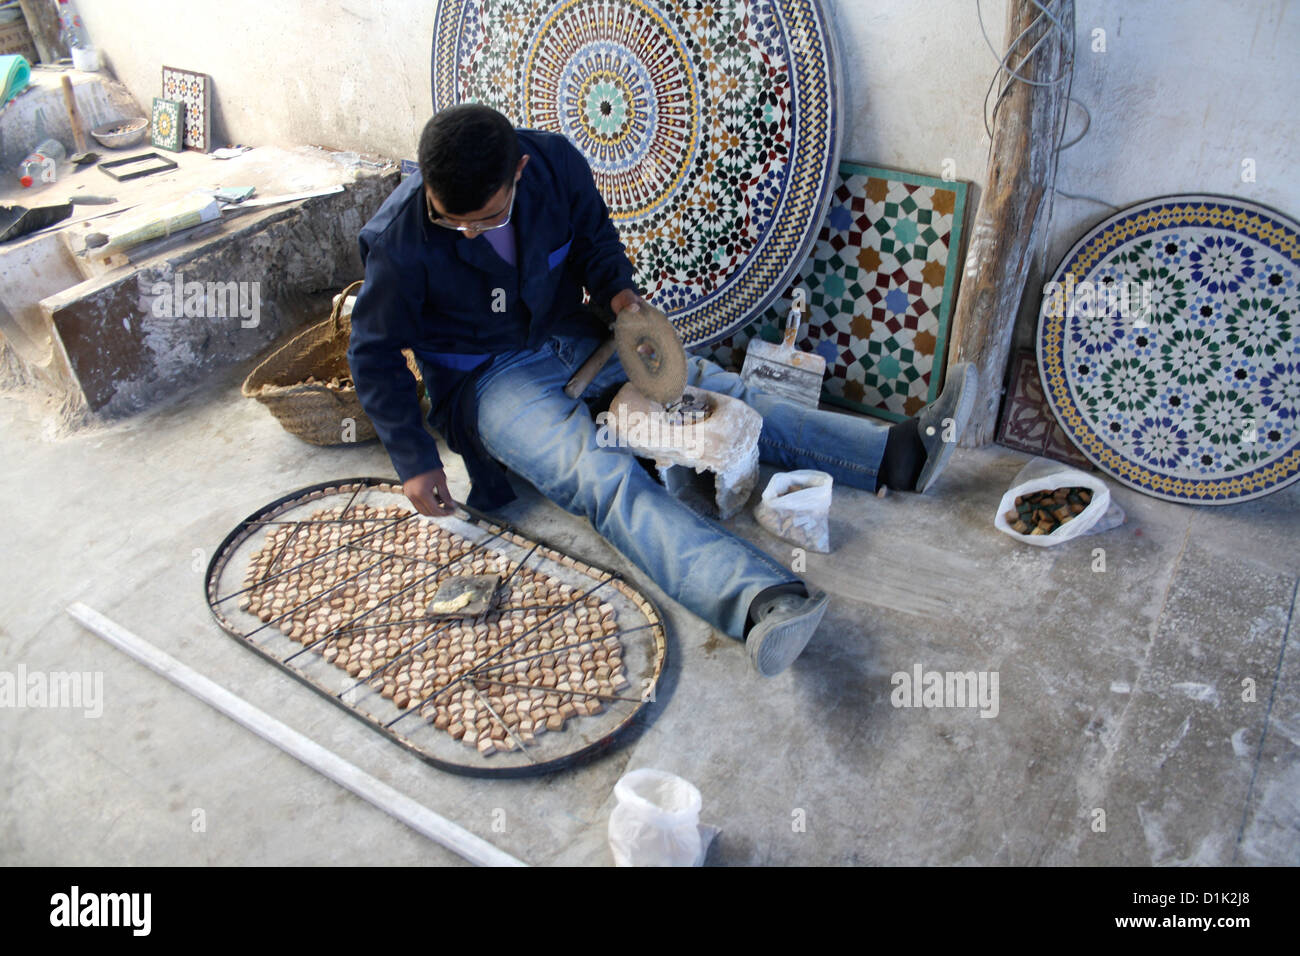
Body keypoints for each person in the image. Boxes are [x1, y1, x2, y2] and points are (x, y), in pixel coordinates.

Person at [348, 104, 974, 677]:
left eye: (485, 220)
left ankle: (896, 453)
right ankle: (760, 602)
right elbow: (373, 354)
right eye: (451, 221)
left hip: (572, 331)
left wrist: (623, 300)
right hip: (488, 376)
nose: (468, 234)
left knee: (709, 390)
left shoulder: (555, 162)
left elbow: (594, 242)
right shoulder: (400, 239)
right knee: (599, 475)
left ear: (519, 169)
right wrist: (415, 457)